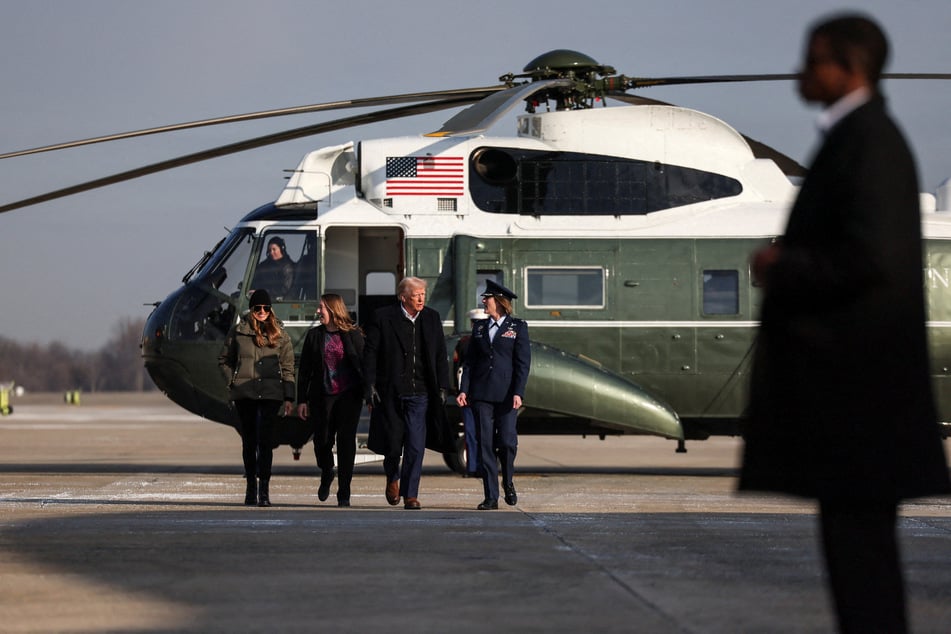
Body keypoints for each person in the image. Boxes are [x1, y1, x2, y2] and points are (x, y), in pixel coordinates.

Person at [739, 13, 951, 634]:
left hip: (858, 407)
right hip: (855, 410)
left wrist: (786, 263)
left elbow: (874, 259)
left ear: (849, 66)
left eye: (814, 58)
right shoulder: (857, 138)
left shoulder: (869, 142)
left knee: (863, 569)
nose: (802, 71)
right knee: (858, 562)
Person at [363, 277, 451, 510]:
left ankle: (411, 494)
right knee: (392, 444)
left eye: (423, 294)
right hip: (390, 392)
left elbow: (441, 354)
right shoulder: (382, 317)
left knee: (415, 445)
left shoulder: (431, 318)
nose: (421, 298)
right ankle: (392, 476)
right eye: (416, 294)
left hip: (420, 393)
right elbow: (370, 354)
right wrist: (369, 386)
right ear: (403, 297)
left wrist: (443, 386)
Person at [457, 280, 531, 510]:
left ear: (499, 301)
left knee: (508, 442)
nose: (483, 301)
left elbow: (522, 363)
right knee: (485, 444)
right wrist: (464, 389)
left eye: (487, 298)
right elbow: (469, 363)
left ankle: (508, 481)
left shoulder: (517, 327)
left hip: (507, 395)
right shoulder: (479, 328)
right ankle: (491, 496)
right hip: (481, 394)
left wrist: (519, 391)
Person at [219, 289, 296, 507]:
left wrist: (289, 396)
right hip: (245, 394)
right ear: (251, 310)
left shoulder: (280, 334)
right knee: (249, 441)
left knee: (266, 442)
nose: (262, 312)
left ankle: (264, 490)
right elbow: (224, 360)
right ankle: (251, 486)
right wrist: (232, 381)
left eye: (265, 308)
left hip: (271, 395)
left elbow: (288, 367)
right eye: (257, 308)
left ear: (270, 310)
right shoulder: (238, 332)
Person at [297, 294, 366, 507]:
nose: (318, 312)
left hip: (348, 397)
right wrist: (302, 400)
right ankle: (327, 472)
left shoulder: (353, 334)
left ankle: (344, 492)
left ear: (334, 310)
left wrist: (370, 392)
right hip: (322, 397)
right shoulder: (314, 336)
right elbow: (305, 371)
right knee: (322, 442)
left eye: (321, 308)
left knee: (346, 443)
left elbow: (364, 366)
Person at [452, 308, 488, 478]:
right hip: (469, 393)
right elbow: (458, 368)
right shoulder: (465, 343)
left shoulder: (466, 342)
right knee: (472, 433)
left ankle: (478, 465)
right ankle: (474, 466)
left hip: (482, 393)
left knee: (479, 433)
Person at [251, 236, 295, 300]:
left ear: (281, 249)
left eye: (274, 249)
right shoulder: (264, 265)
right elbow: (256, 278)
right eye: (269, 250)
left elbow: (284, 289)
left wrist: (262, 292)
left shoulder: (288, 267)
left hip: (278, 301)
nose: (271, 252)